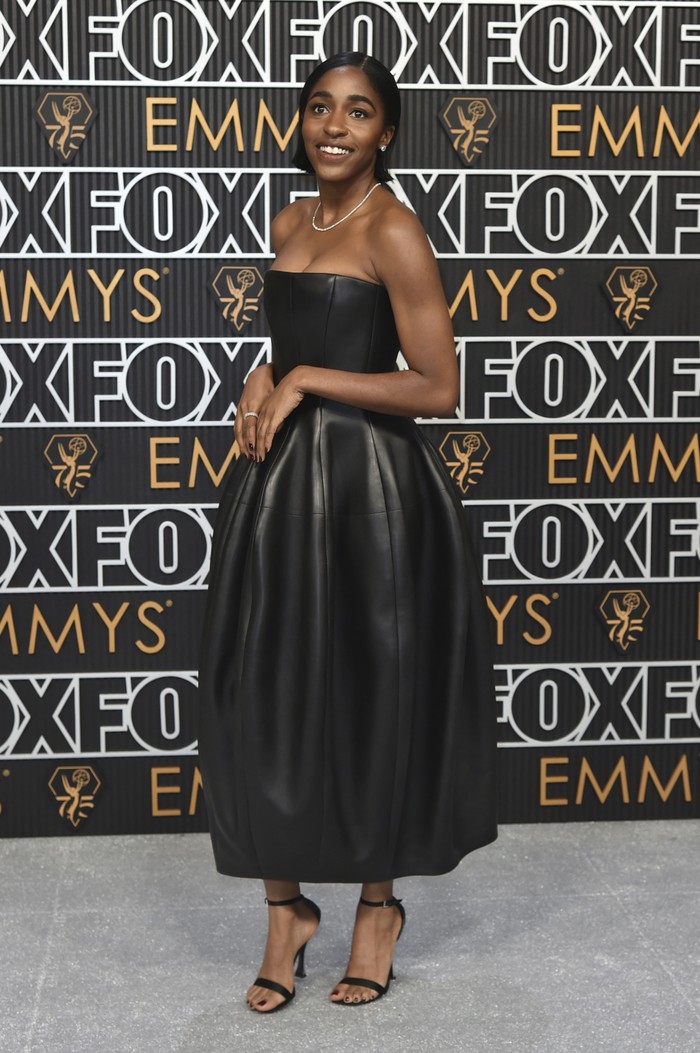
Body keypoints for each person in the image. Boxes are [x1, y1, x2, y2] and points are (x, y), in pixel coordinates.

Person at [198, 51, 497, 1013]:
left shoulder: (397, 232)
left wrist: (304, 380)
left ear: (387, 133)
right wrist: (264, 373)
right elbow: (295, 341)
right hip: (279, 497)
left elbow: (438, 387)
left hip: (373, 496)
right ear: (301, 122)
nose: (334, 125)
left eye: (358, 112)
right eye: (319, 108)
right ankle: (286, 911)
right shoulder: (292, 218)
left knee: (376, 698)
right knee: (263, 696)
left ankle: (377, 908)